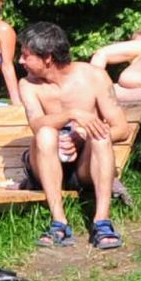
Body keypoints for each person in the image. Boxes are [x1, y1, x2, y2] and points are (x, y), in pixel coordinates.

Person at [17, 22, 126, 251]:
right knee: (46, 133)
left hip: (84, 165)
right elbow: (36, 124)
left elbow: (121, 128)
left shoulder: (94, 76)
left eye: (26, 55)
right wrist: (72, 115)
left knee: (101, 133)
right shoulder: (28, 84)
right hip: (46, 160)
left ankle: (102, 222)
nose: (21, 61)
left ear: (47, 58)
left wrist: (83, 135)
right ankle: (59, 223)